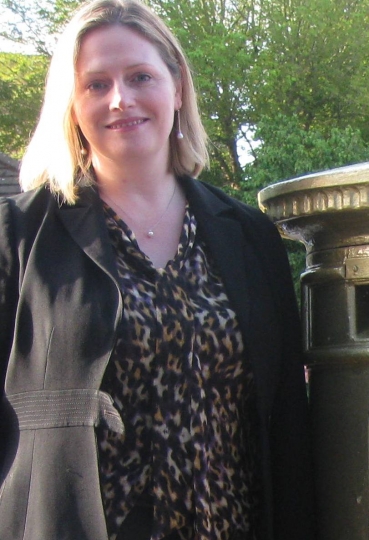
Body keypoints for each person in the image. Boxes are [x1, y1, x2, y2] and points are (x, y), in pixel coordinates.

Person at [0, 0, 314, 539]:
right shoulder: (20, 235)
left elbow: (286, 421)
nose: (120, 99)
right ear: (71, 105)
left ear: (178, 87)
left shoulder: (250, 238)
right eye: (96, 84)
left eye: (140, 76)